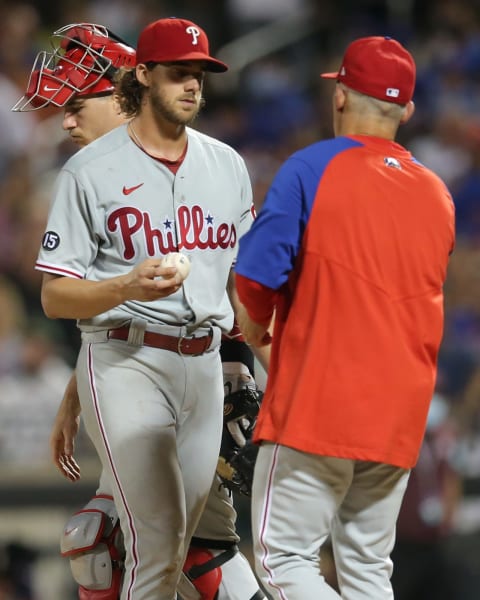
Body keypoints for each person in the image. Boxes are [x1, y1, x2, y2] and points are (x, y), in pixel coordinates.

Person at [23, 17, 262, 600]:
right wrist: (78, 391)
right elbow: (83, 294)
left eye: (76, 104)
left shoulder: (216, 164)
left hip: (207, 366)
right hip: (127, 364)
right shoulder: (90, 172)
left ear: (125, 89)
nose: (67, 120)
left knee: (173, 544)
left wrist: (252, 364)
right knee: (119, 545)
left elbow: (239, 283)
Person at [234, 35, 456, 599]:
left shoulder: (311, 167)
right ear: (406, 109)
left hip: (321, 402)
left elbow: (256, 277)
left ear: (339, 97)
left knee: (282, 559)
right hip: (402, 415)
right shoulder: (438, 194)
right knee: (366, 569)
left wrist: (257, 326)